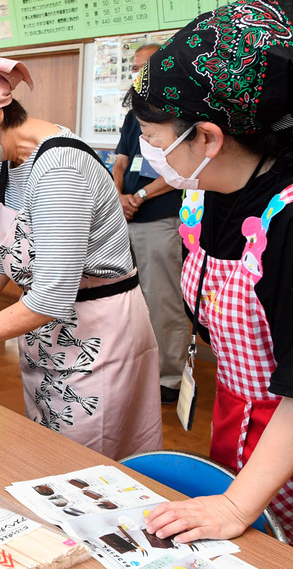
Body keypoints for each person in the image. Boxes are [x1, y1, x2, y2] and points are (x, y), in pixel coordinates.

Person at [128, 0, 293, 560]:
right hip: (237, 425)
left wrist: (239, 506)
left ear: (209, 138)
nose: (149, 151)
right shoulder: (209, 191)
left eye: (156, 138)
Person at [0, 52, 161, 460]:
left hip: (96, 337)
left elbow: (50, 297)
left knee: (88, 464)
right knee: (47, 452)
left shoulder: (60, 167)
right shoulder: (5, 162)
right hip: (46, 333)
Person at [112, 43, 191, 405]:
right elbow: (121, 160)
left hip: (160, 218)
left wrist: (140, 198)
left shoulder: (178, 112)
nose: (138, 72)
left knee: (163, 300)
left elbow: (179, 171)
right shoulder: (134, 114)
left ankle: (170, 379)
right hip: (125, 218)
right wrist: (118, 196)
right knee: (127, 300)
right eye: (135, 66)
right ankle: (136, 370)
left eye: (145, 66)